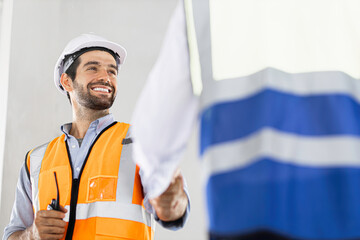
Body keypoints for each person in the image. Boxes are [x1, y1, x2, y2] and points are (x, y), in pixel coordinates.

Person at [131, 0, 360, 239]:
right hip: (348, 216)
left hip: (245, 220)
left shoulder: (205, 5)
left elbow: (154, 139)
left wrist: (161, 185)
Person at [3, 33, 189, 240]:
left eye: (112, 71)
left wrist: (174, 202)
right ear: (67, 81)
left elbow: (173, 209)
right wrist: (31, 234)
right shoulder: (35, 159)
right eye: (93, 68)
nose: (106, 77)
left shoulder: (141, 141)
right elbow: (13, 234)